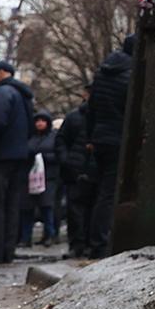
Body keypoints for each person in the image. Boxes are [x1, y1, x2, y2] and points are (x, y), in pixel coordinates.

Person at [0, 60, 34, 264]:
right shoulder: (24, 95)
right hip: (19, 155)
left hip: (1, 156)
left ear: (1, 73)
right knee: (12, 205)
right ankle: (7, 249)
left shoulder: (3, 93)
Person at [83, 36, 135, 258]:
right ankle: (101, 243)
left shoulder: (102, 73)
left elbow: (91, 108)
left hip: (100, 138)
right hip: (117, 139)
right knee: (109, 193)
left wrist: (90, 137)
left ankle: (96, 240)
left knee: (101, 192)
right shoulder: (131, 75)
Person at [55, 96, 91, 257]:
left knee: (85, 210)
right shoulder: (74, 117)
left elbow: (61, 141)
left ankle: (83, 244)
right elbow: (61, 140)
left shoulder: (75, 116)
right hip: (77, 169)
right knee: (76, 210)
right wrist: (66, 160)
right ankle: (79, 244)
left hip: (85, 168)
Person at [20, 112, 59, 246]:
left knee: (46, 208)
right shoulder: (30, 137)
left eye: (42, 121)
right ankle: (26, 238)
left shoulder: (53, 137)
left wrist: (44, 157)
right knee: (27, 209)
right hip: (30, 177)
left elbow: (58, 154)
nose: (39, 123)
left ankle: (49, 235)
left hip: (48, 177)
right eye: (37, 121)